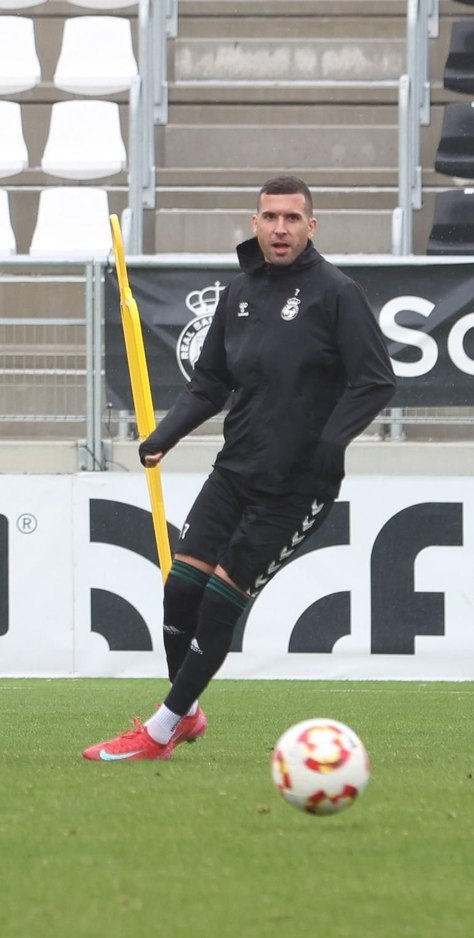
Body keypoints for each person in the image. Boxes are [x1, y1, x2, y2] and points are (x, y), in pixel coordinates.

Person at [83, 175, 397, 762]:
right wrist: (164, 436)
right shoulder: (239, 292)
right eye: (270, 217)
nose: (280, 228)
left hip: (295, 488)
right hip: (234, 473)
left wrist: (331, 444)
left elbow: (376, 380)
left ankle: (159, 730)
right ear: (255, 223)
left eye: (292, 218)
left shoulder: (337, 293)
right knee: (180, 591)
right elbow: (210, 383)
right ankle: (186, 714)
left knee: (220, 600)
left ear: (311, 226)